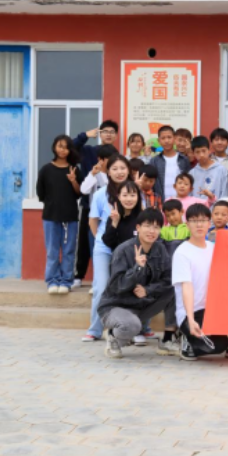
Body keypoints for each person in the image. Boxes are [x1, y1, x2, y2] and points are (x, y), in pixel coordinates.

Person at [173, 204, 228, 360]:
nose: (199, 225)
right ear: (187, 224)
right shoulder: (182, 252)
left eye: (203, 220)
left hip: (214, 309)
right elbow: (186, 287)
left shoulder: (214, 248)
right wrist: (190, 319)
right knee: (217, 345)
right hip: (193, 312)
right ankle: (188, 340)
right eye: (194, 221)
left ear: (209, 223)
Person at [98, 208, 175, 359]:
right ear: (138, 227)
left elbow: (168, 280)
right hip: (116, 306)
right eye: (147, 226)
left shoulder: (160, 249)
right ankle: (113, 336)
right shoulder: (123, 250)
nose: (152, 231)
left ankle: (168, 339)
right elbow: (117, 286)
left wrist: (148, 290)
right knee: (132, 326)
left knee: (175, 290)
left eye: (156, 227)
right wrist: (137, 268)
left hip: (142, 304)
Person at [83, 154, 134, 343]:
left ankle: (135, 328)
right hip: (104, 248)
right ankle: (95, 329)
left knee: (130, 286)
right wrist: (101, 240)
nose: (119, 172)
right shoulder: (100, 194)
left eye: (123, 168)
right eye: (115, 169)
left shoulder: (135, 192)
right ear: (108, 172)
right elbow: (93, 221)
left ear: (128, 170)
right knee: (101, 286)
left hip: (128, 248)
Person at [73, 121, 119, 290]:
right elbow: (71, 148)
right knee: (85, 243)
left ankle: (102, 279)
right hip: (90, 207)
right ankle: (79, 275)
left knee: (106, 244)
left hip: (110, 212)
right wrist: (84, 136)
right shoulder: (89, 151)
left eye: (112, 132)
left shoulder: (117, 158)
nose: (108, 134)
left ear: (116, 135)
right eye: (105, 131)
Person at [36, 135, 81, 295]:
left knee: (69, 251)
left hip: (70, 217)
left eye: (66, 147)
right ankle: (52, 281)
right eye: (60, 146)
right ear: (54, 147)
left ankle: (66, 281)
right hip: (50, 217)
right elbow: (40, 193)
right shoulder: (46, 169)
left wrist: (73, 180)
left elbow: (79, 193)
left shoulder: (74, 169)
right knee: (52, 251)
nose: (63, 150)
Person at [151, 125, 191, 201]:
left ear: (174, 138)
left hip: (181, 202)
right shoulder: (154, 161)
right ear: (159, 141)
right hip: (161, 202)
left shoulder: (183, 159)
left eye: (169, 137)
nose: (166, 141)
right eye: (163, 138)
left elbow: (189, 181)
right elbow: (152, 184)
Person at [190, 136, 228, 202]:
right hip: (197, 208)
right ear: (193, 153)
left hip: (217, 207)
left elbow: (225, 194)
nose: (201, 155)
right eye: (197, 152)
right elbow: (190, 196)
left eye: (204, 151)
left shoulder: (221, 170)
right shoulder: (191, 173)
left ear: (209, 151)